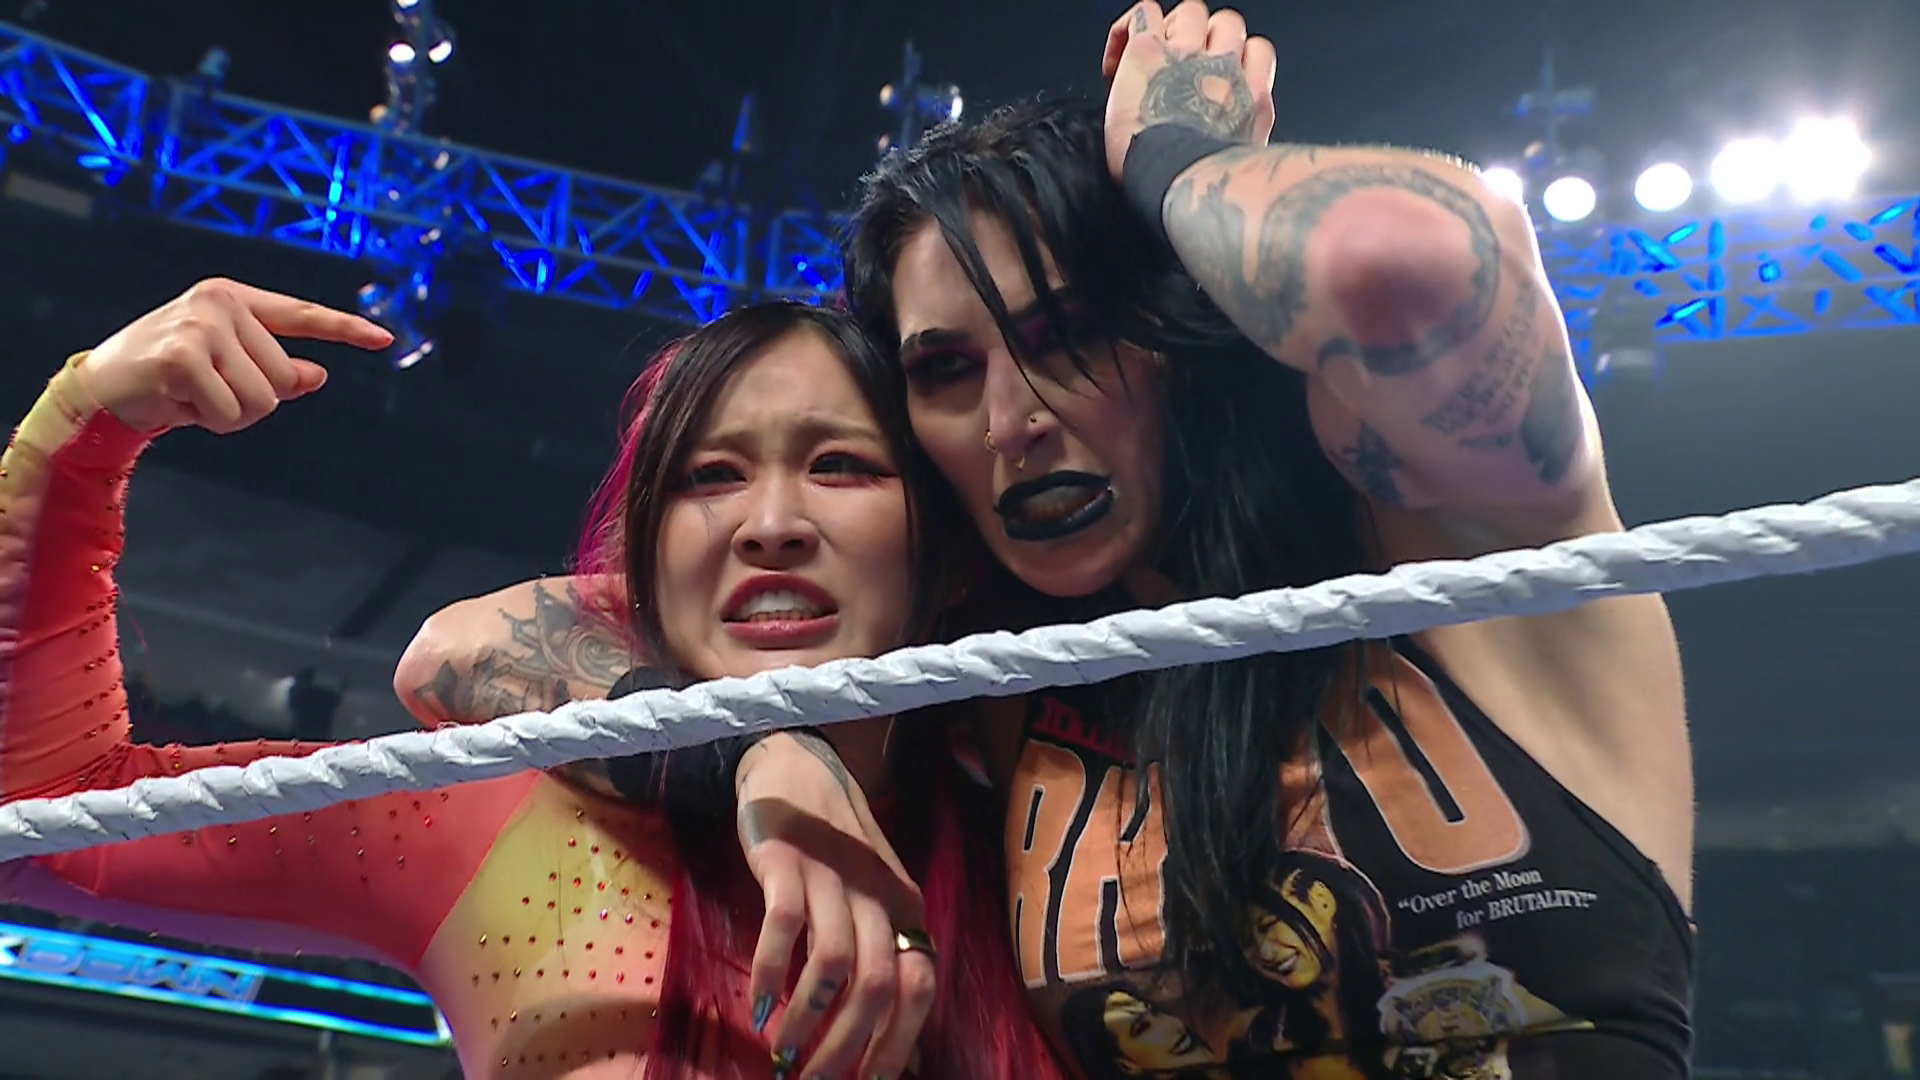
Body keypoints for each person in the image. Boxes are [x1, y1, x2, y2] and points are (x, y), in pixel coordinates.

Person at [403, 3, 1695, 1076]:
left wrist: (1178, 164)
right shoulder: (1002, 671)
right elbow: (464, 646)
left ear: (1174, 325)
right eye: (947, 369)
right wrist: (753, 747)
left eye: (1068, 334)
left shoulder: (1459, 544)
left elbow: (1397, 264)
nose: (1014, 420)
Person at [0, 281, 1063, 1080]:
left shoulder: (1056, 849)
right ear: (639, 566)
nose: (772, 523)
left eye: (841, 466)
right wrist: (82, 428)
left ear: (943, 552)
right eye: (711, 477)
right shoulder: (491, 818)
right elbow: (41, 820)